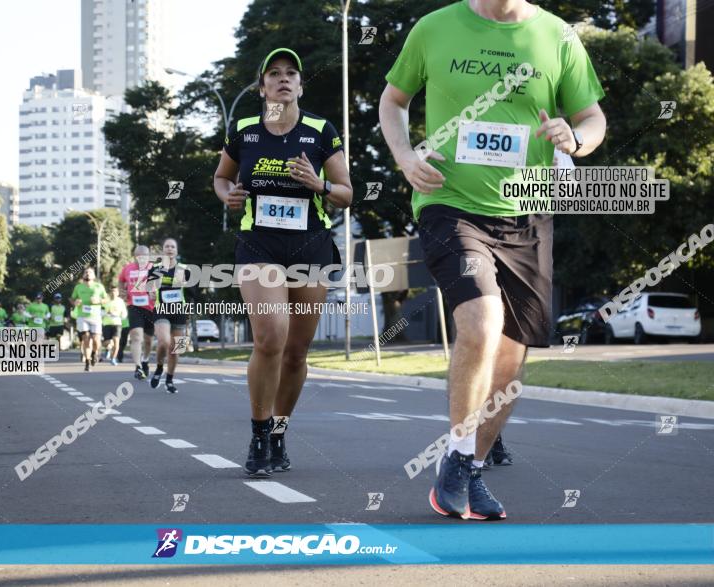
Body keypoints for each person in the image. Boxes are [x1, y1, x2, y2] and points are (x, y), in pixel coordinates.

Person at [379, 0, 606, 520]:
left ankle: (468, 466)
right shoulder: (434, 28)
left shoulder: (558, 36)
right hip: (449, 204)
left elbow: (592, 116)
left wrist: (577, 139)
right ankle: (459, 459)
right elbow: (392, 102)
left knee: (511, 357)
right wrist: (405, 156)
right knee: (481, 323)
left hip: (528, 209)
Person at [213, 48, 352, 477]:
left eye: (292, 73)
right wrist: (227, 195)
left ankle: (278, 431)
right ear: (262, 87)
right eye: (274, 74)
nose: (283, 79)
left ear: (301, 85)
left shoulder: (320, 131)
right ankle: (258, 435)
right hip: (260, 245)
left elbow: (348, 192)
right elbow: (221, 176)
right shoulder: (244, 130)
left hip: (310, 246)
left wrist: (319, 183)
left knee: (295, 352)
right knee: (270, 336)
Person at [148, 238, 189, 394]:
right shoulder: (156, 268)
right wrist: (151, 292)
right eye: (167, 246)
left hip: (179, 310)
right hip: (162, 309)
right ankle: (159, 368)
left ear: (176, 251)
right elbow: (150, 288)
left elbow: (193, 289)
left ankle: (169, 379)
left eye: (173, 246)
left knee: (176, 349)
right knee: (164, 342)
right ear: (163, 250)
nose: (170, 249)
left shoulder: (184, 269)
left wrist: (187, 283)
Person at [118, 245, 157, 380]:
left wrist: (156, 294)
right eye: (139, 256)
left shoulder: (154, 269)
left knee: (148, 340)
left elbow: (162, 285)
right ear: (135, 256)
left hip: (151, 308)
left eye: (144, 256)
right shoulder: (127, 268)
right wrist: (122, 292)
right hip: (134, 306)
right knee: (136, 337)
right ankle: (138, 367)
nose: (142, 258)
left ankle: (145, 359)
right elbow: (121, 280)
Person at [70, 267, 108, 371]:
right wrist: (75, 303)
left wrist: (98, 300)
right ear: (83, 275)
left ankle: (94, 352)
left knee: (96, 340)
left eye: (90, 272)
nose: (87, 274)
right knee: (86, 338)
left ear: (94, 276)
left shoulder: (99, 286)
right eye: (86, 272)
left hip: (95, 317)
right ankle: (87, 361)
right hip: (82, 317)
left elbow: (106, 299)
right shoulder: (78, 287)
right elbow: (72, 299)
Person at [102, 285, 128, 366]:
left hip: (117, 324)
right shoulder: (105, 301)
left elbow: (124, 313)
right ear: (109, 292)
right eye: (112, 291)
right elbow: (101, 311)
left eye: (115, 291)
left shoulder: (120, 301)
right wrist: (106, 313)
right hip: (106, 323)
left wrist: (119, 315)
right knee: (107, 342)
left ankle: (113, 358)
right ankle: (108, 349)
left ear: (118, 293)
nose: (113, 293)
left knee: (116, 342)